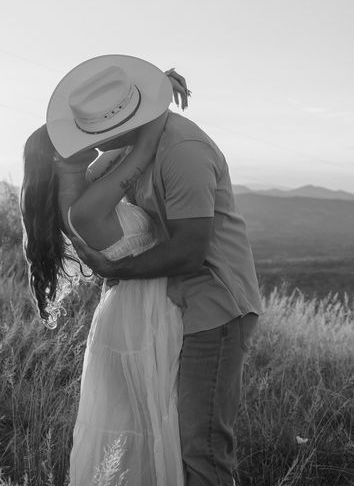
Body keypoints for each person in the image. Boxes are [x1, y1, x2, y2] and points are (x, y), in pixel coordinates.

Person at [45, 55, 264, 486]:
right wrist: (151, 100)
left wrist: (116, 268)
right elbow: (84, 205)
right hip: (165, 307)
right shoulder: (128, 149)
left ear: (121, 124)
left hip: (213, 304)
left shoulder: (183, 152)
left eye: (96, 130)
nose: (89, 140)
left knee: (200, 448)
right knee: (163, 437)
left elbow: (188, 251)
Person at [21, 59, 188, 484]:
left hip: (135, 309)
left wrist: (148, 90)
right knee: (143, 428)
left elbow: (119, 149)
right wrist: (159, 99)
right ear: (61, 155)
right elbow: (142, 150)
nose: (84, 135)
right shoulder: (83, 208)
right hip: (140, 316)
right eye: (71, 136)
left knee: (141, 427)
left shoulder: (79, 183)